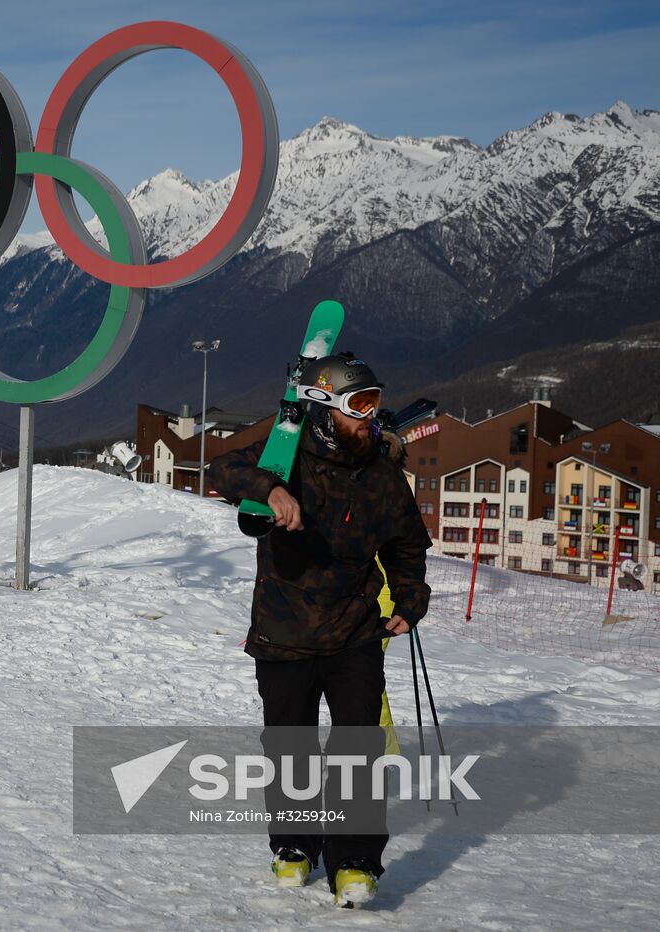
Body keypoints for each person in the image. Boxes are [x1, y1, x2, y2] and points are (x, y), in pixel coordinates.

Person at [208, 352, 431, 909]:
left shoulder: (381, 474)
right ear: (326, 409)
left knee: (358, 748)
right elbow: (222, 469)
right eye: (359, 405)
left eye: (375, 402)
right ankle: (294, 846)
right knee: (291, 749)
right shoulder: (287, 458)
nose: (370, 417)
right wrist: (270, 489)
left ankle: (354, 860)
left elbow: (407, 546)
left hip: (355, 631)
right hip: (284, 632)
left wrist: (409, 598)